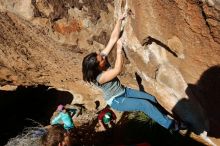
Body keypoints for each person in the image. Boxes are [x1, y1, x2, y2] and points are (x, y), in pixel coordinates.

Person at [82, 12, 185, 131]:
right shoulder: (100, 78)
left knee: (151, 99)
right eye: (101, 59)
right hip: (117, 100)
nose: (103, 56)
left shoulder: (100, 61)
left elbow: (113, 39)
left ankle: (165, 118)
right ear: (97, 67)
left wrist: (119, 20)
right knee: (144, 105)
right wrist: (119, 50)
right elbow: (117, 70)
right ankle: (171, 125)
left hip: (124, 91)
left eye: (101, 55)